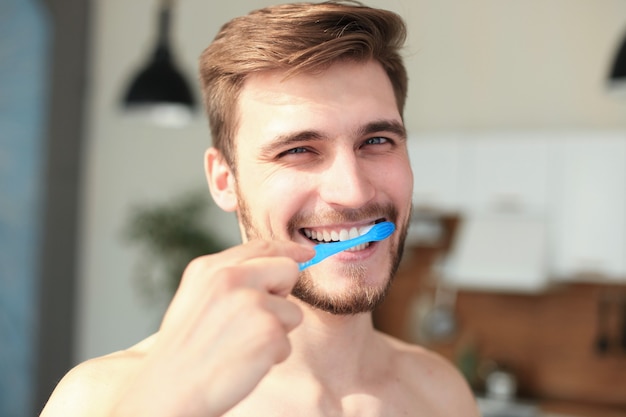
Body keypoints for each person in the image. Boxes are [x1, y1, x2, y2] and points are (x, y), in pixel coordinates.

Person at [40, 1, 480, 416]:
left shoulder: (441, 393)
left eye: (377, 141)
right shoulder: (105, 398)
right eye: (298, 150)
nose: (354, 192)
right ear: (223, 180)